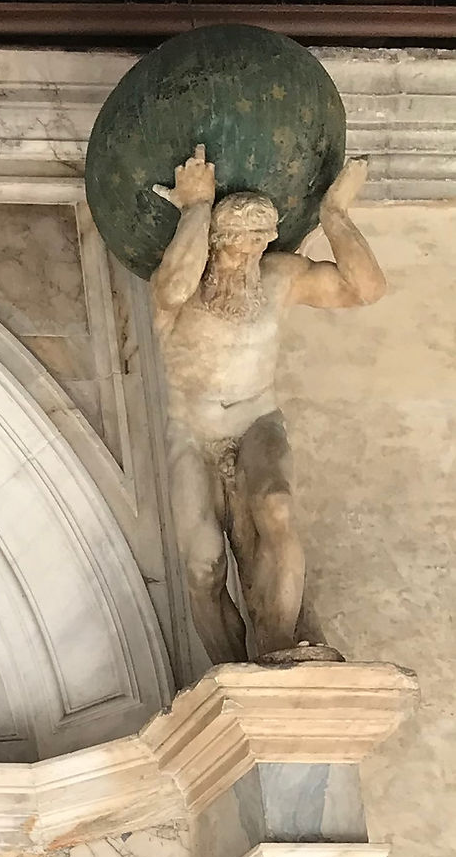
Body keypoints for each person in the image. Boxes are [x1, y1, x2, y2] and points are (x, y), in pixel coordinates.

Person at [151, 142, 385, 663]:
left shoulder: (278, 278)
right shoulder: (180, 289)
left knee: (276, 507)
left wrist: (335, 216)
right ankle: (232, 669)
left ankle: (281, 649)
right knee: (203, 565)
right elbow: (172, 285)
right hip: (192, 433)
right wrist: (194, 206)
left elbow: (364, 289)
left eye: (260, 240)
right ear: (214, 241)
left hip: (257, 419)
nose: (248, 254)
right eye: (237, 242)